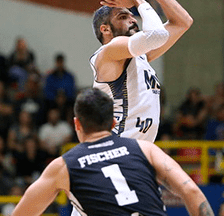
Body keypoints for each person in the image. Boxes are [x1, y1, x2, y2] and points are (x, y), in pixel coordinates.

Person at [12, 88, 213, 216]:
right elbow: (192, 191)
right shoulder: (145, 149)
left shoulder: (63, 166)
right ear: (114, 123)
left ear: (77, 124)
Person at [90, 0, 193, 143]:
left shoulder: (139, 56)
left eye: (132, 14)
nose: (133, 19)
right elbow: (156, 35)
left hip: (134, 151)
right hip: (116, 148)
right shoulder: (109, 52)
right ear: (105, 29)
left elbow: (183, 21)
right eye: (123, 17)